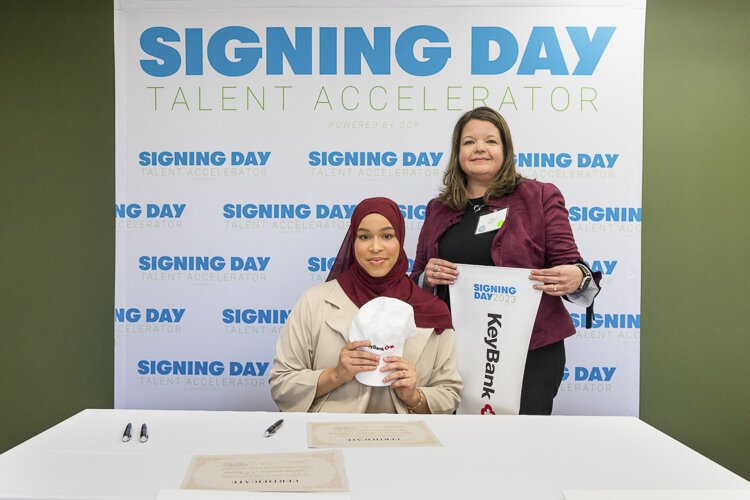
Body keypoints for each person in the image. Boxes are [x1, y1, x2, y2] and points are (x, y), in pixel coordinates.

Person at [411, 107, 600, 415]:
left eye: (490, 141)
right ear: (457, 152)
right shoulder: (438, 208)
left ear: (505, 149)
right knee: (461, 448)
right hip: (455, 352)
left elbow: (572, 265)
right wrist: (426, 278)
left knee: (522, 448)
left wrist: (576, 277)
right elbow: (416, 278)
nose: (480, 148)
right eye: (469, 142)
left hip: (531, 351)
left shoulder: (539, 197)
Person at [269, 197, 462, 414]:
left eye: (387, 236)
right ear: (353, 242)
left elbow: (449, 394)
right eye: (364, 236)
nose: (375, 247)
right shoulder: (315, 302)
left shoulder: (432, 310)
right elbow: (281, 384)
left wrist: (413, 395)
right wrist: (335, 375)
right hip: (331, 435)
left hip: (404, 440)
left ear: (400, 240)